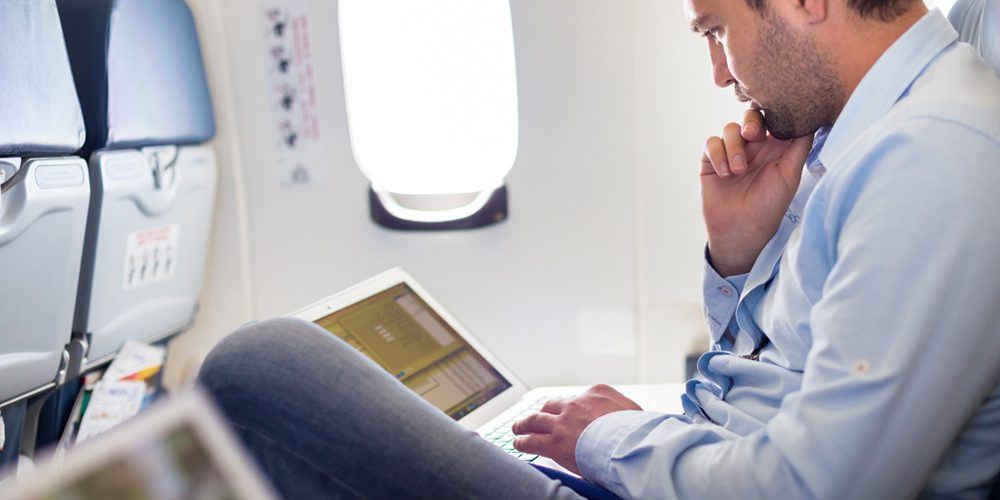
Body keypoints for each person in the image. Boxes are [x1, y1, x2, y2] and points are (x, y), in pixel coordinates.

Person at [197, 0, 1000, 496]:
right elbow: (776, 382)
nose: (722, 74)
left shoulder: (932, 156)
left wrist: (608, 442)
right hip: (691, 464)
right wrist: (736, 259)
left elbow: (814, 488)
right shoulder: (857, 132)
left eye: (718, 31)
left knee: (262, 369)